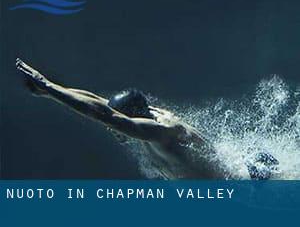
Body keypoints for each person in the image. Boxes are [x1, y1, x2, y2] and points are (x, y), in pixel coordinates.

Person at [15, 58, 277, 179]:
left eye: (115, 124)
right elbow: (99, 104)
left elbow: (105, 115)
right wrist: (51, 91)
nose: (111, 129)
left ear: (132, 118)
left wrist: (48, 87)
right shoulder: (146, 117)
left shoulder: (161, 132)